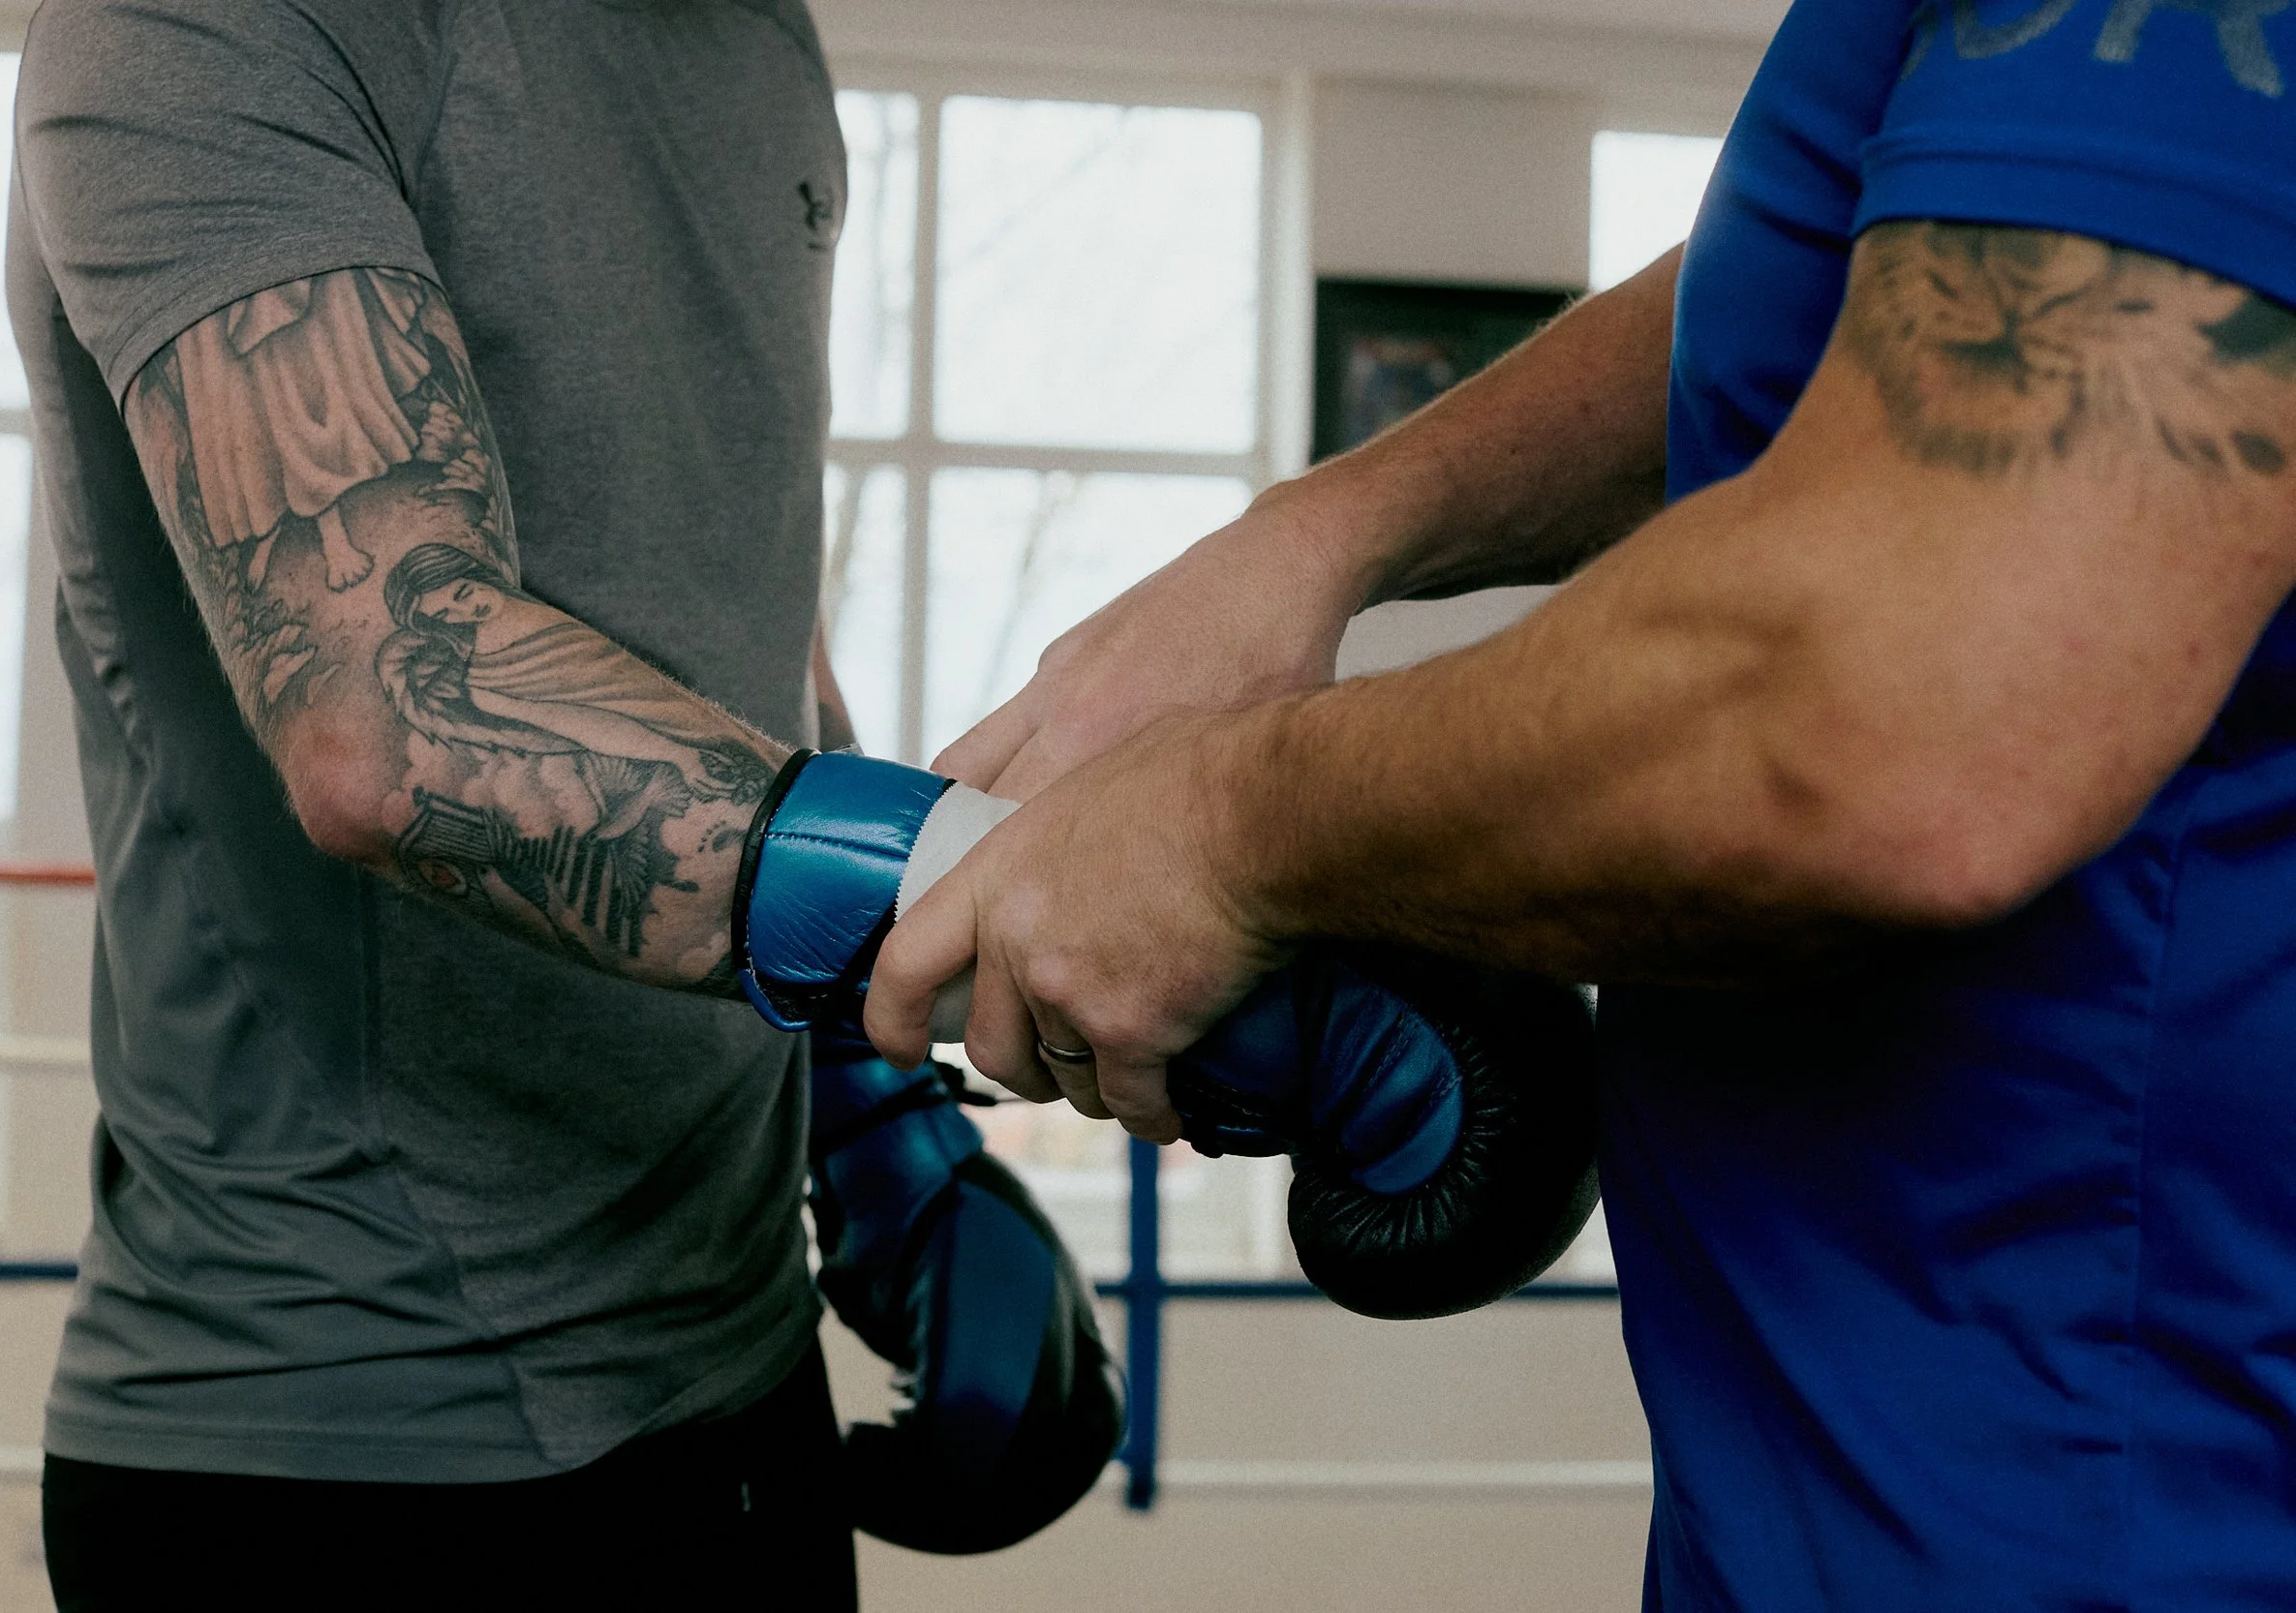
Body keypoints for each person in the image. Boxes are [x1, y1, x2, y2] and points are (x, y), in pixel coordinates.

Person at [867, 1, 2296, 1605]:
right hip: (1833, 1489)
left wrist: (1217, 828)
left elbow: (1895, 711)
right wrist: (1321, 535)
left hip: (2109, 1504)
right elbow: (1860, 278)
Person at [8, 0, 870, 1604]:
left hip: (748, 1350)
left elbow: (738, 620)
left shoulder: (756, 29)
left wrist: (874, 1107)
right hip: (354, 1426)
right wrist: (994, 897)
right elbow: (395, 708)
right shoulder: (207, 20)